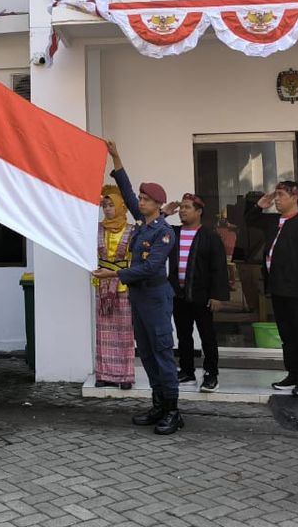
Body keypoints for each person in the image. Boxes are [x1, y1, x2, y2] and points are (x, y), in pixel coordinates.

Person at [93, 141, 181, 435]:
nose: (140, 202)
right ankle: (158, 405)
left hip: (155, 296)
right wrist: (116, 157)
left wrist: (113, 276)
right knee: (145, 350)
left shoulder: (163, 233)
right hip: (139, 297)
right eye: (140, 198)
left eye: (146, 199)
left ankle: (172, 410)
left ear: (158, 204)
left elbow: (150, 267)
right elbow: (126, 191)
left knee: (162, 352)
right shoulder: (143, 225)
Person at [247, 181, 298, 396]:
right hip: (279, 287)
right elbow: (250, 219)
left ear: (295, 196)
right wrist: (260, 204)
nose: (277, 199)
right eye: (276, 195)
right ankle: (293, 372)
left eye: (281, 194)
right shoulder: (275, 221)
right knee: (287, 334)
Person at [162, 193, 229, 392]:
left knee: (207, 336)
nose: (182, 210)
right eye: (181, 207)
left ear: (199, 212)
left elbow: (219, 268)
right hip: (178, 295)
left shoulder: (210, 237)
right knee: (183, 335)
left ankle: (211, 374)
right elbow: (152, 229)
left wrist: (217, 295)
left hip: (202, 296)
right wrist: (164, 213)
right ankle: (187, 371)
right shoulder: (173, 233)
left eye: (187, 207)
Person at [93, 185, 136, 390]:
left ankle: (125, 375)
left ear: (120, 207)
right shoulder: (97, 229)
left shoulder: (132, 231)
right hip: (102, 286)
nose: (108, 209)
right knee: (104, 330)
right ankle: (103, 374)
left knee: (124, 330)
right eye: (105, 205)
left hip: (123, 284)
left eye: (111, 205)